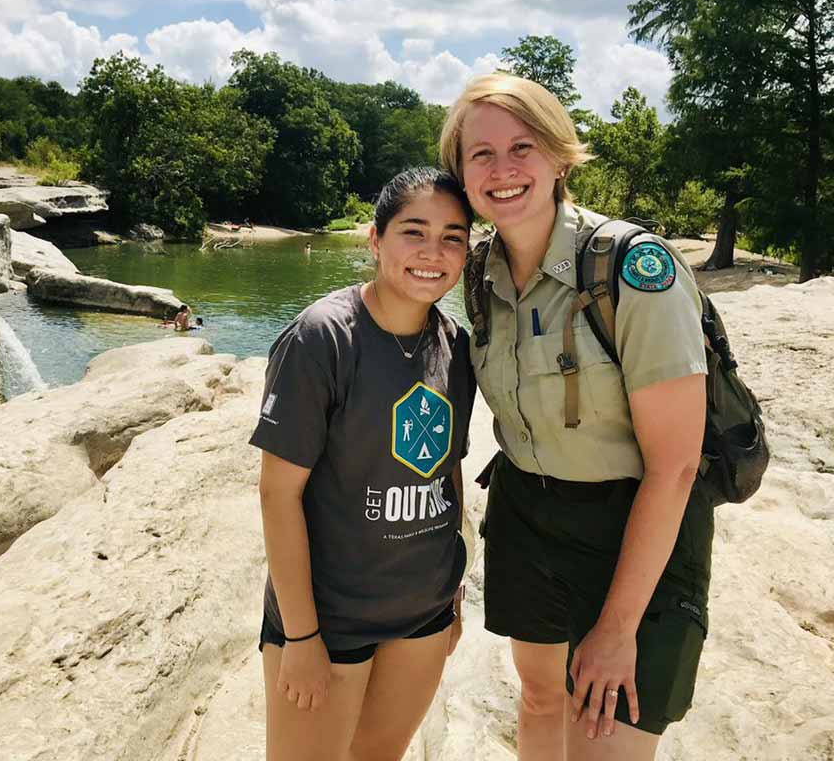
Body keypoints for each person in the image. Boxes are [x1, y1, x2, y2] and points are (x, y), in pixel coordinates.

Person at [439, 73, 711, 760]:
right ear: (461, 173)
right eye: (481, 154)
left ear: (560, 155)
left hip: (634, 529)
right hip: (527, 515)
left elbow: (677, 466)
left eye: (522, 147)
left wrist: (618, 628)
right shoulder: (479, 274)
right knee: (538, 700)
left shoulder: (632, 267)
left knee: (602, 735)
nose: (502, 170)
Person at [250, 167, 477, 761]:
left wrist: (453, 588)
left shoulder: (456, 348)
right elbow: (278, 494)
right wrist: (301, 637)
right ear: (375, 240)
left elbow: (447, 473)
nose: (434, 253)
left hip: (422, 614)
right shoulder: (322, 338)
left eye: (453, 236)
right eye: (414, 232)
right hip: (330, 619)